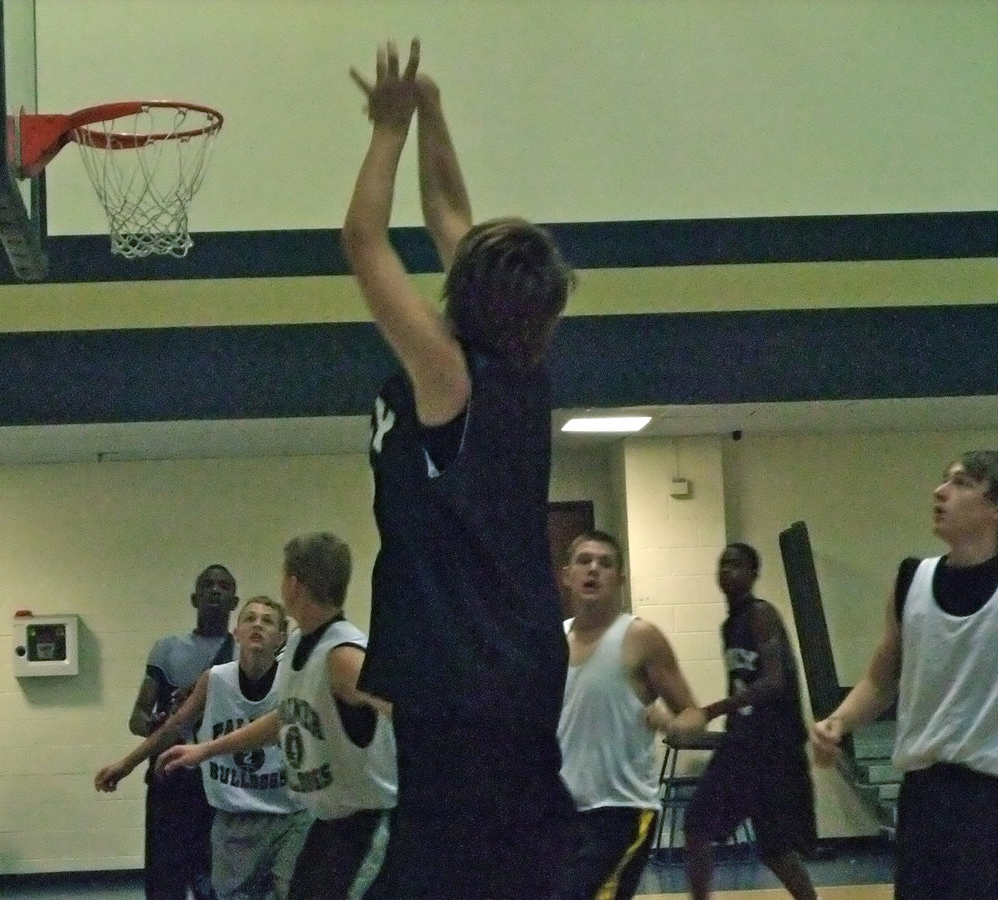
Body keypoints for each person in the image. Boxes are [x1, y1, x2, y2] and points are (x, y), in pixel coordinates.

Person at [341, 39, 578, 900]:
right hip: (495, 670)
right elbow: (450, 213)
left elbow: (364, 243)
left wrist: (389, 128)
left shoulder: (450, 376)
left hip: (473, 675)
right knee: (487, 862)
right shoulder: (515, 361)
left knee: (450, 873)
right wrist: (434, 109)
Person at [157, 533, 397, 900]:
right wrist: (205, 750)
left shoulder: (343, 655)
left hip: (364, 826)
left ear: (294, 583)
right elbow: (284, 718)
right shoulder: (301, 643)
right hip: (327, 822)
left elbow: (412, 711)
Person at [811, 450, 998, 900]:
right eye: (943, 479)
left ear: (994, 508)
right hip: (924, 793)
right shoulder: (912, 578)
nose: (940, 491)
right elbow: (880, 680)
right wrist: (839, 721)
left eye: (961, 483)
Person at [97, 596, 312, 900]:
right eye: (250, 618)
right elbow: (174, 726)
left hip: (288, 816)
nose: (258, 625)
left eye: (267, 621)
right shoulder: (215, 680)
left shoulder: (295, 681)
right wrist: (127, 764)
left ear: (280, 638)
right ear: (236, 633)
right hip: (233, 817)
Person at [553, 530, 707, 900]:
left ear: (620, 580)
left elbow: (693, 714)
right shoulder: (552, 641)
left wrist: (672, 724)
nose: (594, 570)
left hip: (621, 811)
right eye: (584, 561)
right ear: (566, 575)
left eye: (605, 563)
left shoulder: (640, 637)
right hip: (561, 810)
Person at [682, 543, 818, 900]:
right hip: (742, 745)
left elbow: (774, 682)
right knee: (697, 825)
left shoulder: (761, 614)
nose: (728, 571)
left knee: (775, 848)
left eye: (737, 565)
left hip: (774, 748)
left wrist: (712, 710)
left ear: (754, 574)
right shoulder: (729, 625)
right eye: (723, 564)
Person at [128, 564, 238, 900]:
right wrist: (156, 723)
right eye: (208, 585)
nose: (215, 591)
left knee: (213, 879)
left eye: (223, 586)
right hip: (171, 779)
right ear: (194, 598)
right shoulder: (167, 649)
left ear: (234, 601)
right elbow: (136, 717)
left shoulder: (242, 655)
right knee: (164, 879)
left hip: (219, 780)